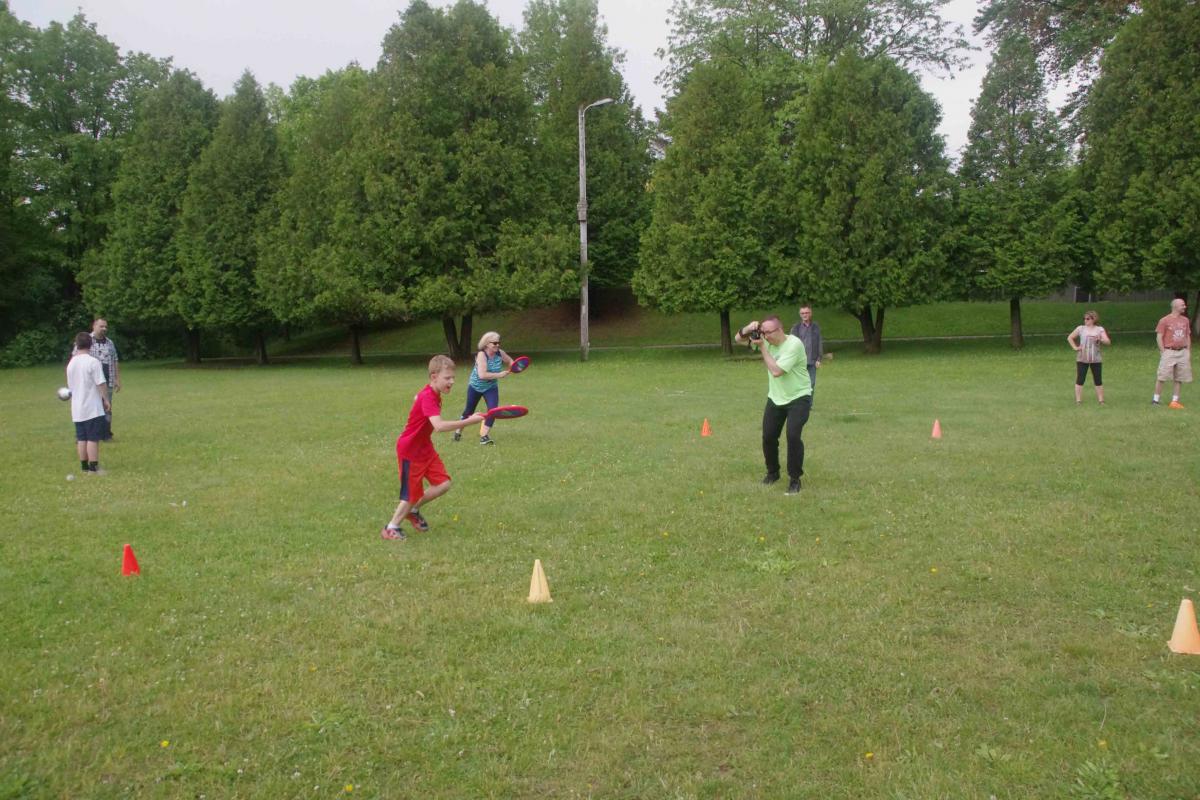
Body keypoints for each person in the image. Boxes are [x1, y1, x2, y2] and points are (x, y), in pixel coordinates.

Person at [381, 355, 485, 541]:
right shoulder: (428, 396)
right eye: (447, 378)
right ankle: (391, 527)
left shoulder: (432, 393)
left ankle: (412, 510)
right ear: (434, 377)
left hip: (424, 447)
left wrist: (418, 399)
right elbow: (439, 426)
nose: (452, 381)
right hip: (410, 450)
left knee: (443, 483)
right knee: (411, 494)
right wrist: (469, 421)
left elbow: (419, 398)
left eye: (453, 377)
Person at [734, 315, 813, 496]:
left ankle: (795, 479)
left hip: (799, 397)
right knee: (768, 437)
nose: (764, 336)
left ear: (779, 330)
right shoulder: (766, 340)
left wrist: (762, 347)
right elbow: (738, 339)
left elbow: (776, 371)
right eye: (763, 332)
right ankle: (773, 473)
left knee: (793, 436)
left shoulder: (794, 345)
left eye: (768, 333)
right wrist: (748, 328)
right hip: (776, 398)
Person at [453, 331, 512, 446]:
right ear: (486, 344)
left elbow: (510, 361)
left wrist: (516, 366)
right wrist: (499, 375)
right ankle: (458, 431)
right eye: (494, 343)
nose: (497, 345)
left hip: (491, 387)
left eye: (498, 343)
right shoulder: (482, 355)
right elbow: (482, 375)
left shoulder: (500, 353)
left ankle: (484, 436)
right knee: (469, 411)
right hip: (475, 386)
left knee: (493, 411)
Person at [66, 332, 111, 475]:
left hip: (77, 407)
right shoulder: (93, 362)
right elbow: (101, 383)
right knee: (92, 438)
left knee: (81, 438)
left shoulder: (71, 363)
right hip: (92, 407)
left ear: (76, 344)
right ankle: (93, 468)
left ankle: (84, 467)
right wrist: (106, 399)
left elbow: (71, 387)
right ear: (91, 345)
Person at [71, 318, 119, 440]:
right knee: (89, 407)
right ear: (94, 326)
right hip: (89, 382)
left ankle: (106, 434)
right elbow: (75, 359)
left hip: (107, 380)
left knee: (107, 407)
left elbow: (115, 360)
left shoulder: (109, 343)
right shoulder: (85, 340)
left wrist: (116, 378)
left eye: (105, 327)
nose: (104, 329)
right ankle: (85, 434)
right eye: (101, 326)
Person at [1152, 298, 1192, 408]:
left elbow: (1187, 336)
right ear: (1175, 306)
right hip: (1169, 351)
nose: (1184, 307)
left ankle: (1174, 401)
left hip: (1182, 352)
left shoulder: (1185, 320)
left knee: (1179, 377)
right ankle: (1155, 400)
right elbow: (1159, 337)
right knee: (1162, 376)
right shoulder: (1164, 320)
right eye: (1182, 305)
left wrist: (1188, 351)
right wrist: (1163, 351)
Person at [1067, 310, 1110, 405]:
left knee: (1098, 379)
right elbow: (1070, 337)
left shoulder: (1099, 329)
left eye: (1087, 318)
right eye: (1084, 318)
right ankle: (1078, 400)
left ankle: (1101, 401)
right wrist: (1075, 347)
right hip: (1082, 357)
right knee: (1080, 379)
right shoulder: (1080, 328)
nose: (1085, 320)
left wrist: (1100, 339)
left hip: (1096, 358)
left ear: (1093, 319)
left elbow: (1107, 341)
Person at [788, 304, 822, 394]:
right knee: (799, 384)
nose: (805, 315)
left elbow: (819, 342)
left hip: (812, 361)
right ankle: (799, 401)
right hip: (799, 361)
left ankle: (809, 402)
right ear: (800, 314)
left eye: (806, 313)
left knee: (811, 384)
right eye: (802, 313)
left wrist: (819, 358)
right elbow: (790, 344)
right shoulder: (796, 327)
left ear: (810, 313)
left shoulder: (816, 327)